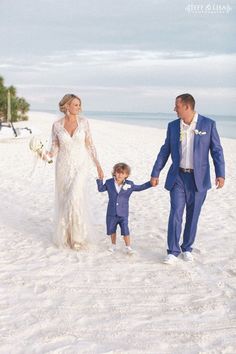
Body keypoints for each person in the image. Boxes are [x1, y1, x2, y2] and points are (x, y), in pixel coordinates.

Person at [150, 93, 225, 264]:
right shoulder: (173, 126)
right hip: (178, 177)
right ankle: (172, 251)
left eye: (176, 106)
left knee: (193, 215)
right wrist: (156, 172)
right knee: (176, 213)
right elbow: (165, 151)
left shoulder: (208, 124)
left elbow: (217, 151)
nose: (174, 109)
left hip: (199, 178)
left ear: (186, 107)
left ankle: (187, 248)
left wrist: (220, 173)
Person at [47, 93, 104, 250]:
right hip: (63, 167)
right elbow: (54, 148)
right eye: (75, 105)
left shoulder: (84, 123)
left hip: (81, 165)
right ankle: (66, 235)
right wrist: (45, 155)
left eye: (79, 105)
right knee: (65, 200)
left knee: (75, 198)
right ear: (67, 106)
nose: (79, 107)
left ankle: (78, 238)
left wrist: (98, 165)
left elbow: (90, 145)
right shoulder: (57, 125)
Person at [97, 162, 152, 254]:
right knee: (112, 229)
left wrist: (150, 183)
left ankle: (128, 247)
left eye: (122, 173)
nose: (119, 175)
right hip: (111, 212)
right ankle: (113, 245)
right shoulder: (109, 182)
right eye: (117, 172)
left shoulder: (129, 184)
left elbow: (140, 187)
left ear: (126, 175)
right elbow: (101, 189)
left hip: (123, 213)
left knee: (125, 230)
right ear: (114, 172)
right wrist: (100, 179)